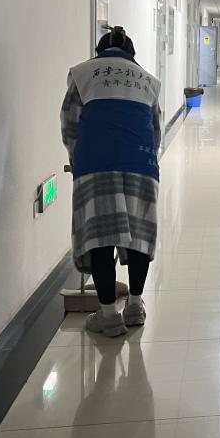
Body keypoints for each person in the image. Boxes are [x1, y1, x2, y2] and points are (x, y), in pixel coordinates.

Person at [61, 27, 162, 338]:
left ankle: (108, 317)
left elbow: (70, 123)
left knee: (100, 238)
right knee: (139, 236)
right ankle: (135, 307)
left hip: (96, 165)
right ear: (131, 53)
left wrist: (76, 158)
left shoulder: (82, 74)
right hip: (141, 163)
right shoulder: (147, 80)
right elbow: (155, 129)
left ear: (99, 50)